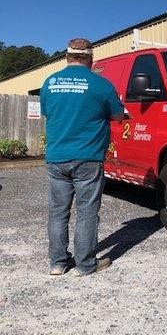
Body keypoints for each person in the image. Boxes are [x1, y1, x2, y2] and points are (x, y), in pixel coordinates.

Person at [40, 38, 125, 276]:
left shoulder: (49, 83)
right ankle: (85, 265)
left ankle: (57, 263)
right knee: (86, 212)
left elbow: (49, 113)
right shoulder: (101, 84)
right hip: (88, 157)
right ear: (91, 59)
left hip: (57, 157)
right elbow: (118, 116)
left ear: (66, 57)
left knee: (58, 212)